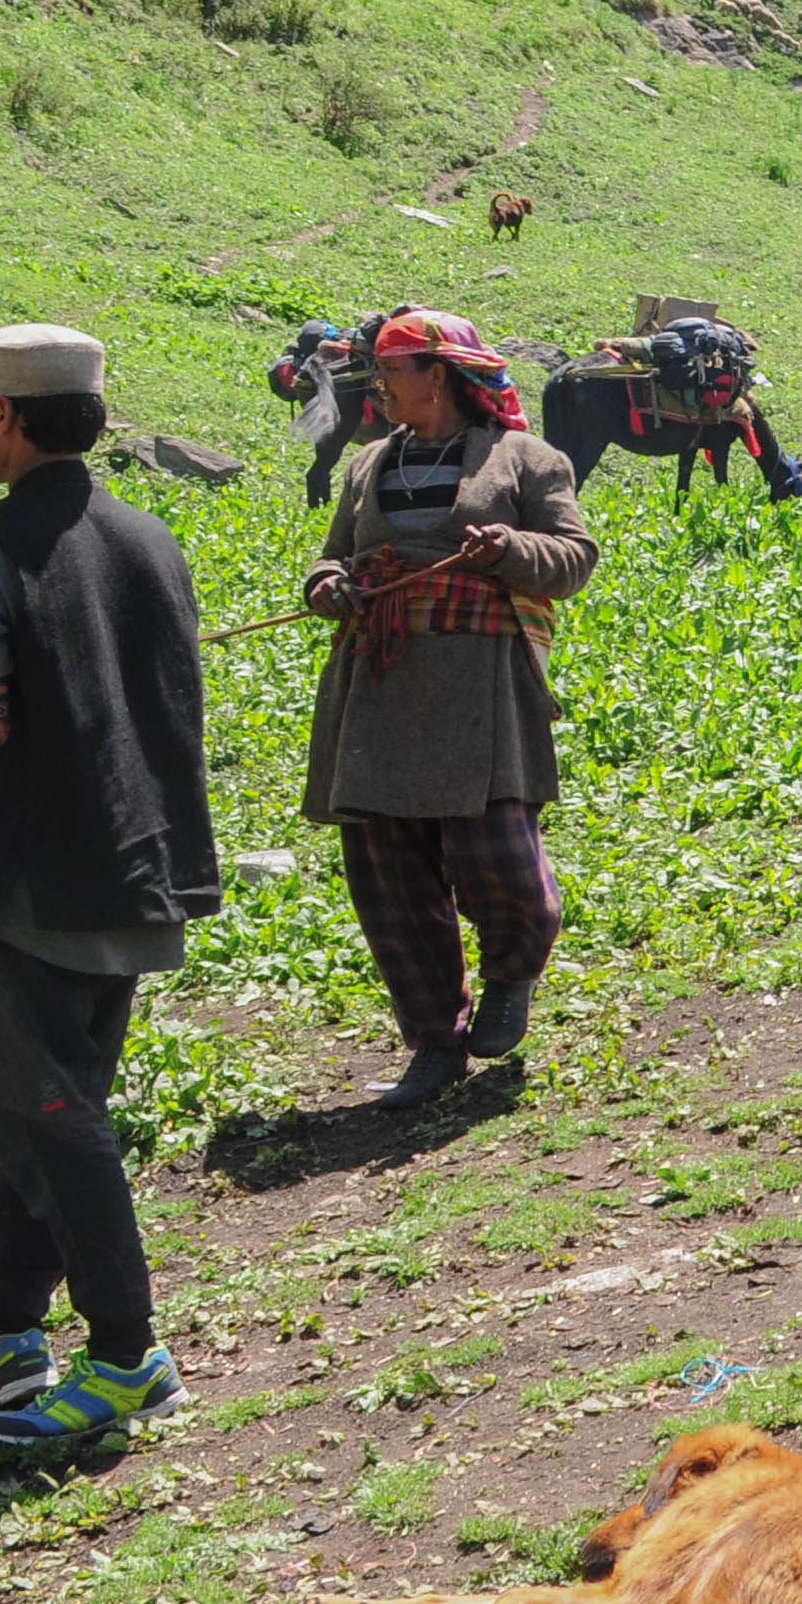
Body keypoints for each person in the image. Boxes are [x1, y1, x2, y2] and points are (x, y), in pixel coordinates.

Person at [0, 324, 220, 1445]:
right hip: (134, 866)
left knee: (55, 1119)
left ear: (7, 415)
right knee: (28, 1107)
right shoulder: (150, 538)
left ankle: (126, 1356)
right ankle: (15, 1338)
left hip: (29, 885)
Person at [297, 308, 599, 1108]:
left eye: (391, 369)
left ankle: (510, 975)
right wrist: (327, 584)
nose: (379, 385)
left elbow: (573, 558)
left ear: (438, 376)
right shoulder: (368, 464)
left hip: (482, 685)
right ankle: (434, 1042)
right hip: (379, 685)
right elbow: (332, 555)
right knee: (389, 877)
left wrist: (509, 549)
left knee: (501, 857)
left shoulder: (528, 460)